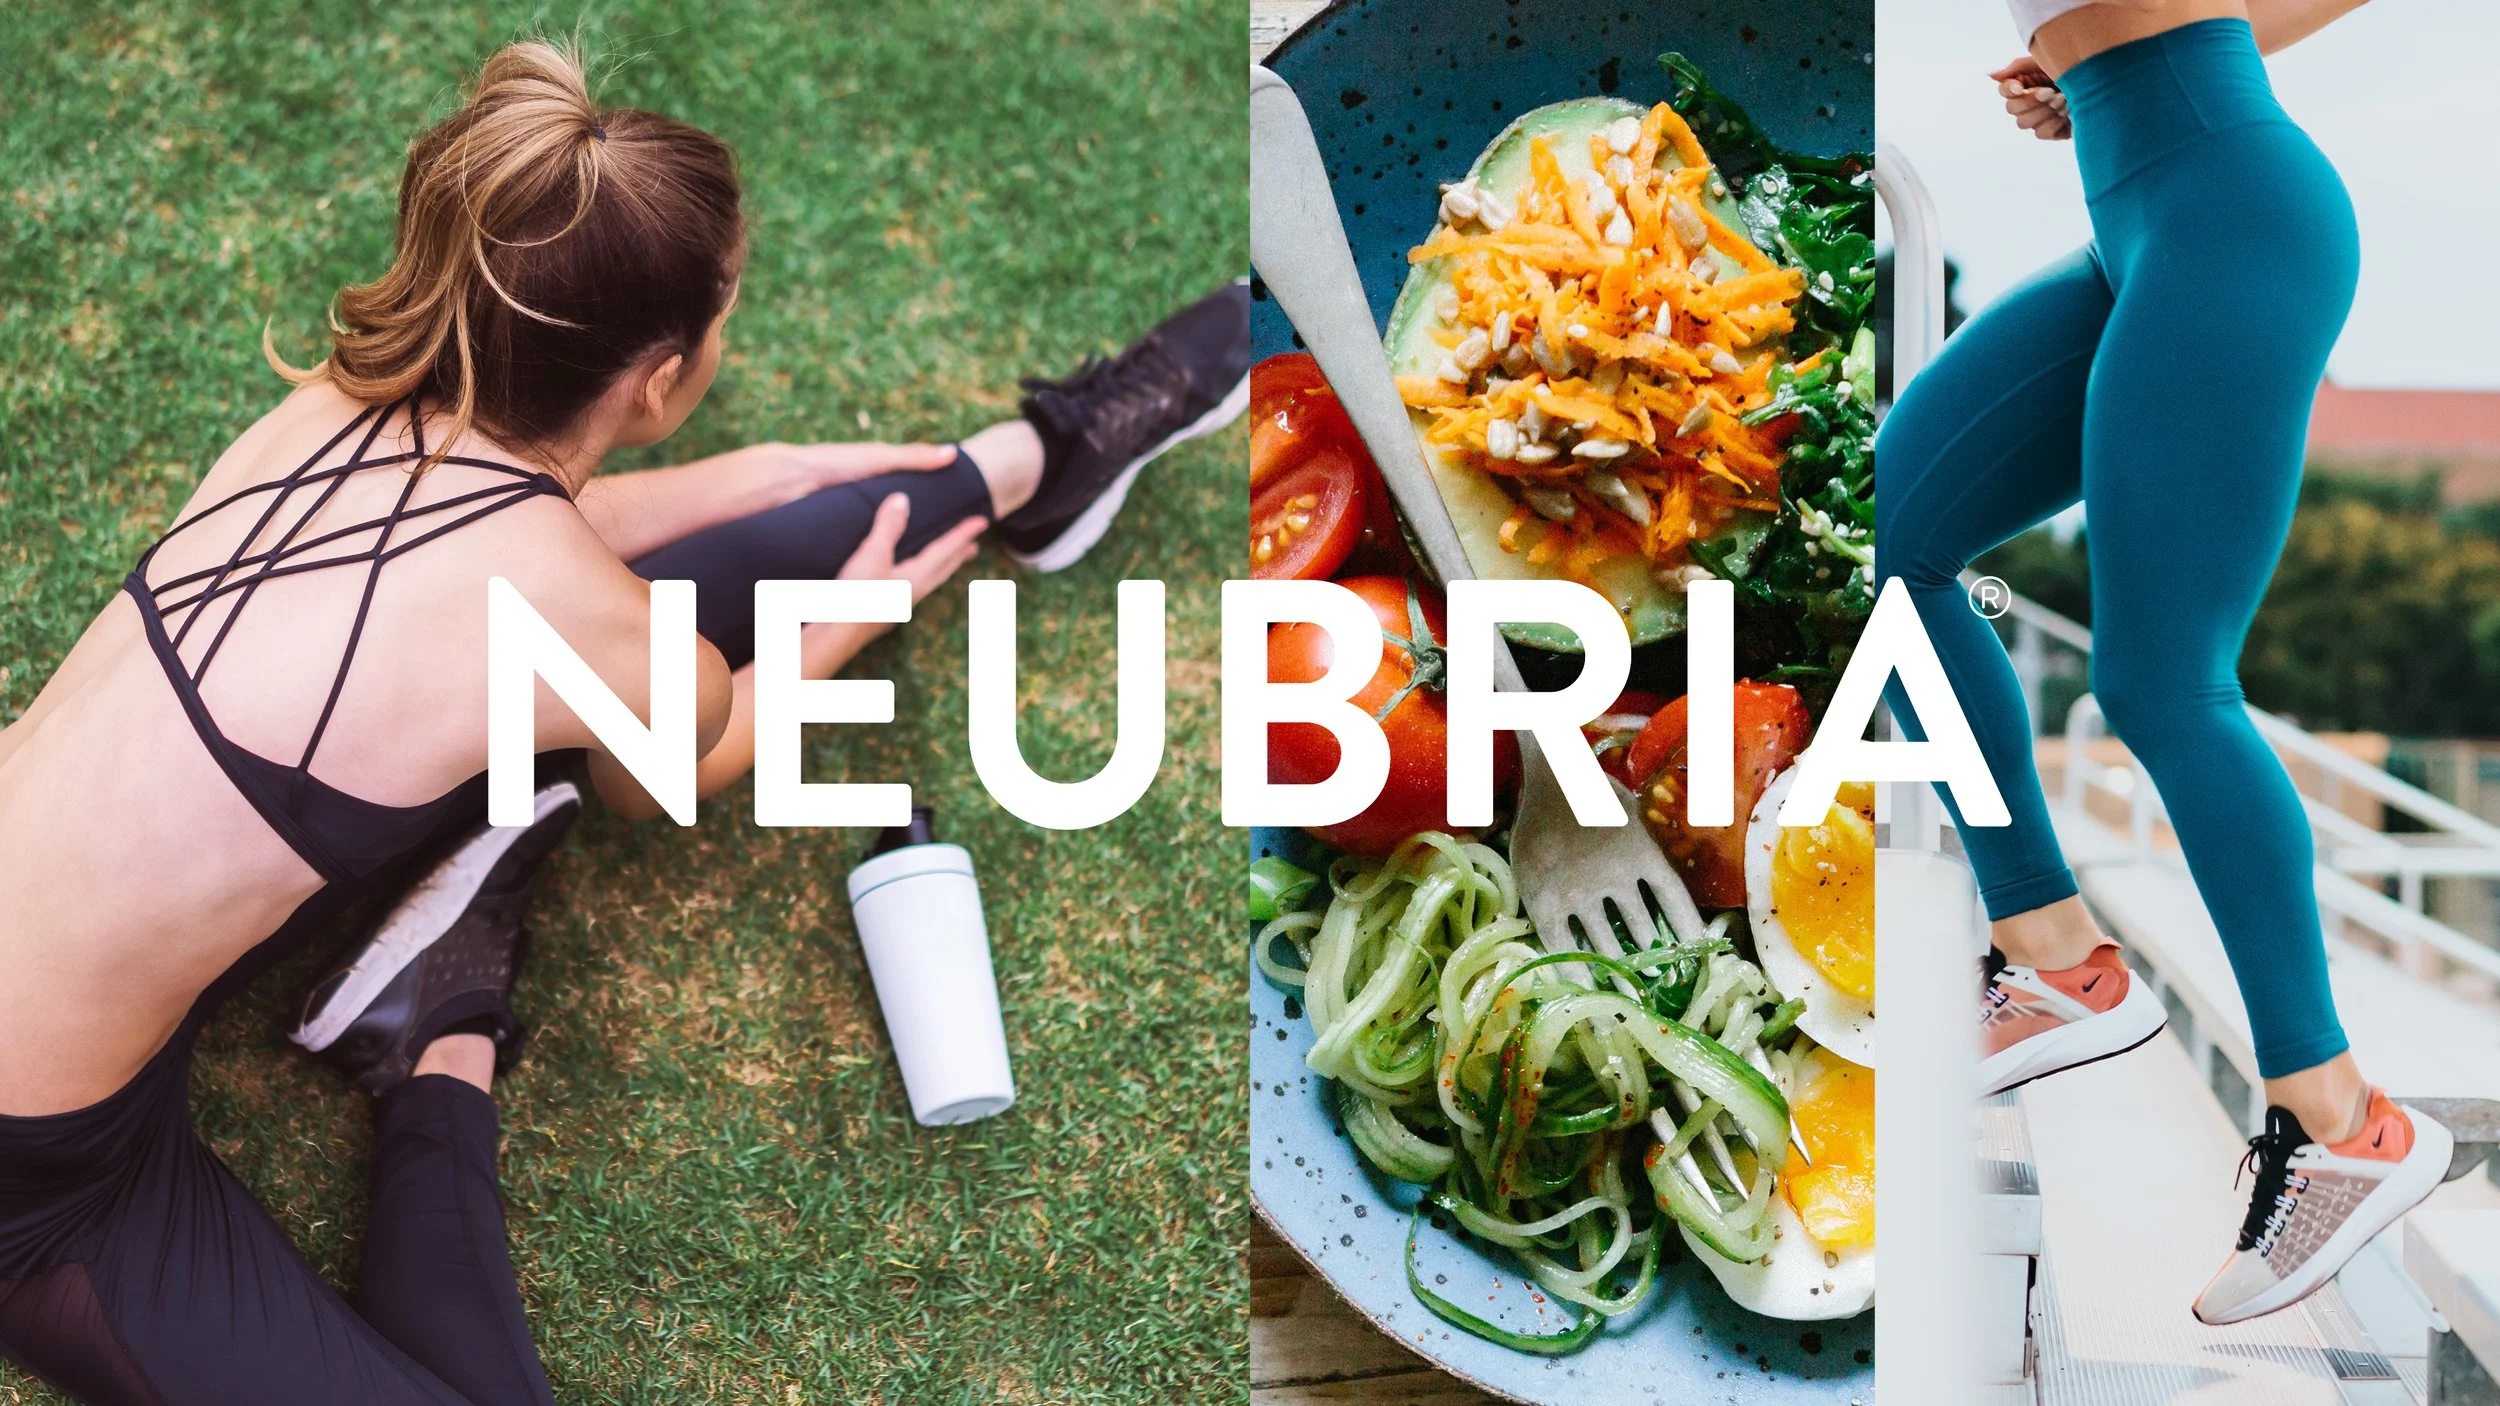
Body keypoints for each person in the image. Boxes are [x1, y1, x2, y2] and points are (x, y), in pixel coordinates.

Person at [0, 39, 1248, 1405]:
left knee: (597, 635)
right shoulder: (594, 628)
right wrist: (844, 621)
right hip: (36, 1173)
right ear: (658, 377)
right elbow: (670, 768)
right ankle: (433, 1041)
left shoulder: (331, 405)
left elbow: (531, 530)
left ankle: (1032, 464)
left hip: (75, 945)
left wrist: (768, 470)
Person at [1876, 0, 2449, 1327]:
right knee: (1889, 545)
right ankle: (2053, 953)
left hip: (2229, 211)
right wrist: (2090, 55)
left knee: (2163, 680)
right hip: (2137, 205)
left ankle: (2342, 1122)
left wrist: (2159, 42)